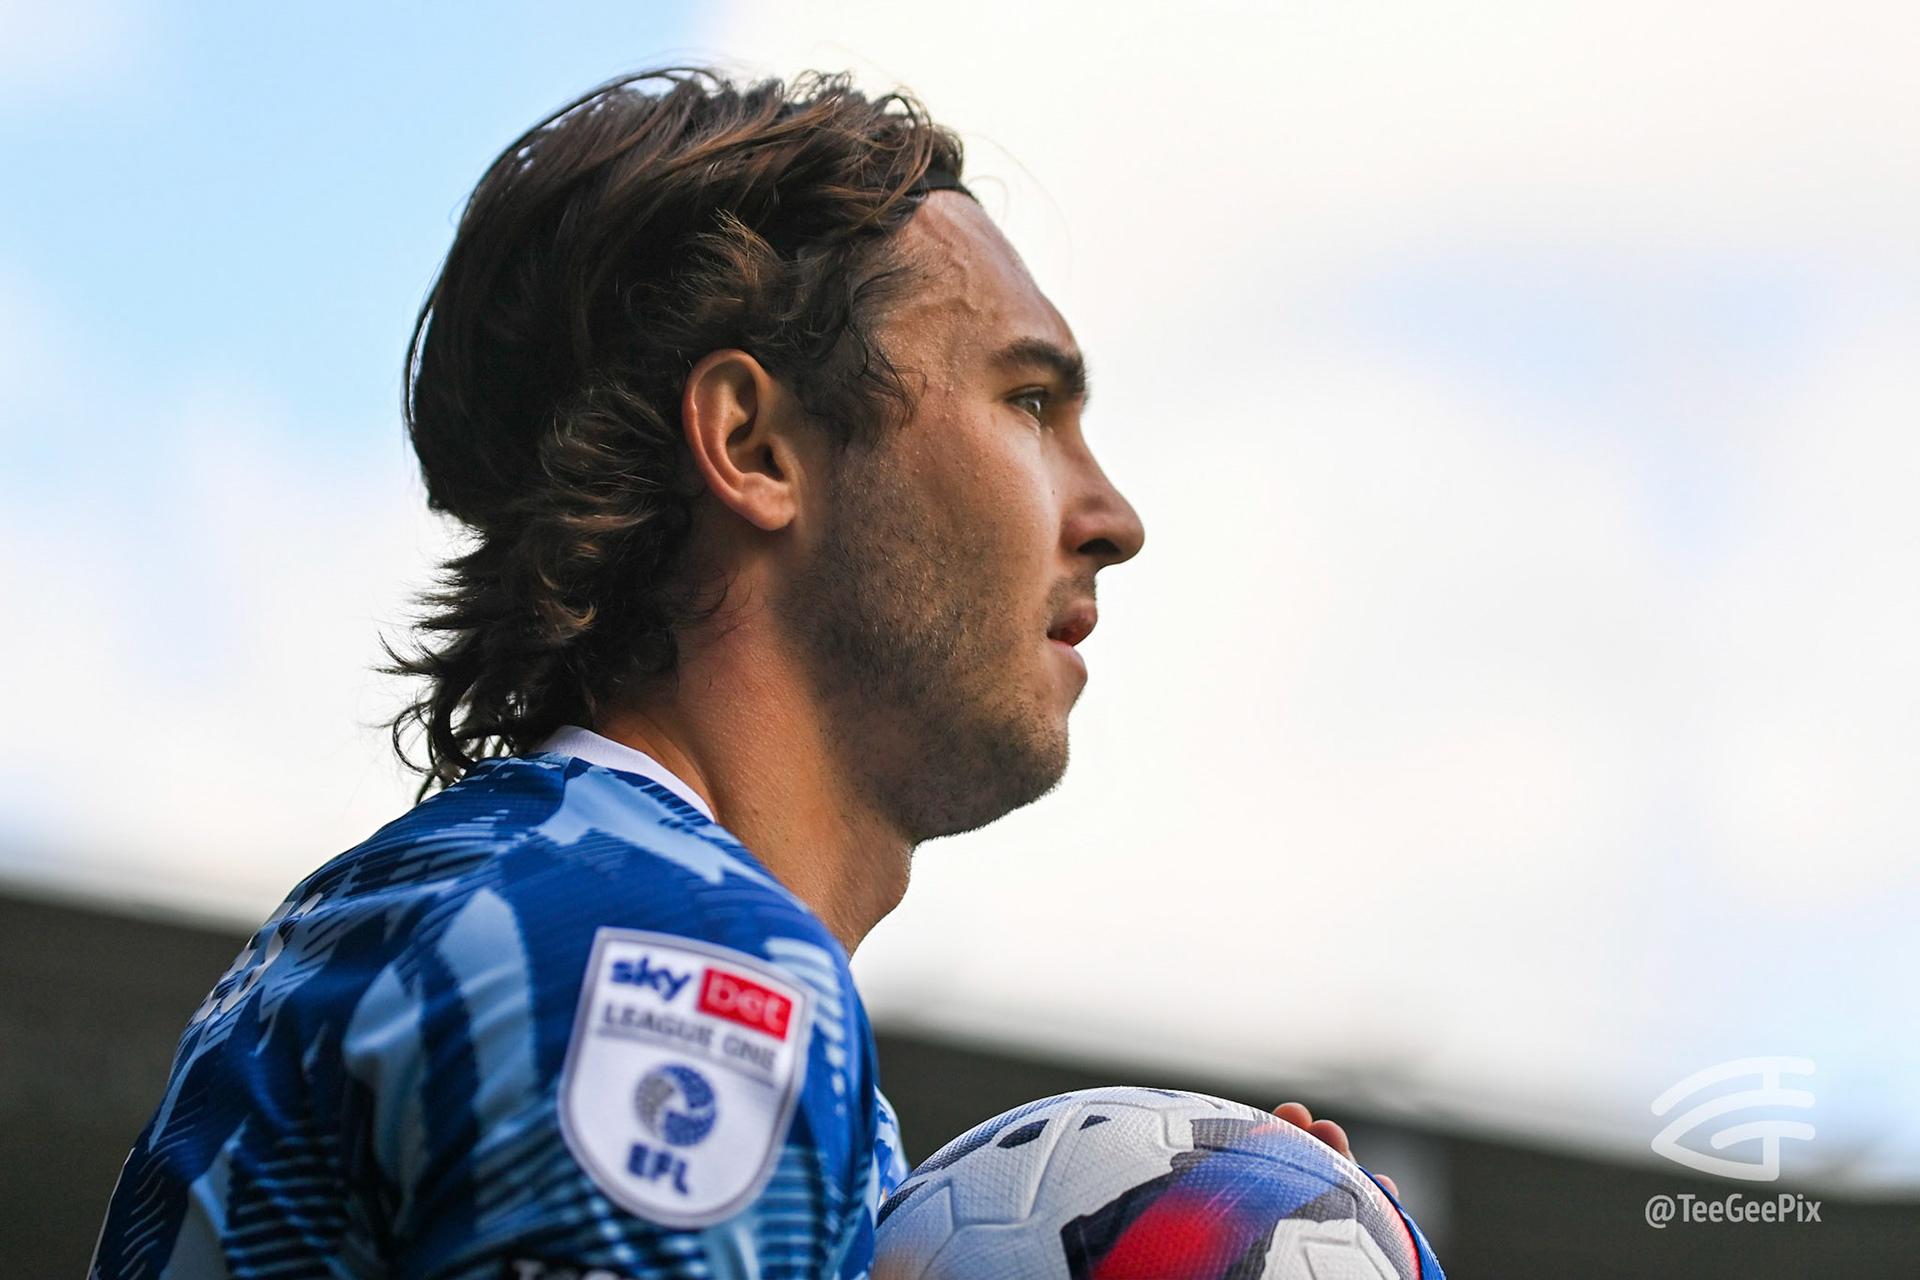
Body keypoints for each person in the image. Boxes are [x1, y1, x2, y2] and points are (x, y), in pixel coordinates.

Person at [90, 66, 1362, 1280]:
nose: (1113, 517)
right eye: (1029, 402)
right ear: (753, 447)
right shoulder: (680, 967)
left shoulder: (526, 907)